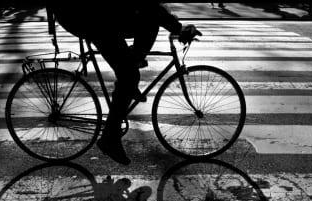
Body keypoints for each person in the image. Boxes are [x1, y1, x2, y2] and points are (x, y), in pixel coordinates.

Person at [47, 2, 202, 165]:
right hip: (90, 17)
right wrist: (178, 28)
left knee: (148, 24)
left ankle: (131, 71)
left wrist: (173, 24)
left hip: (93, 14)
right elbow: (150, 7)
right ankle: (110, 138)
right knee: (129, 75)